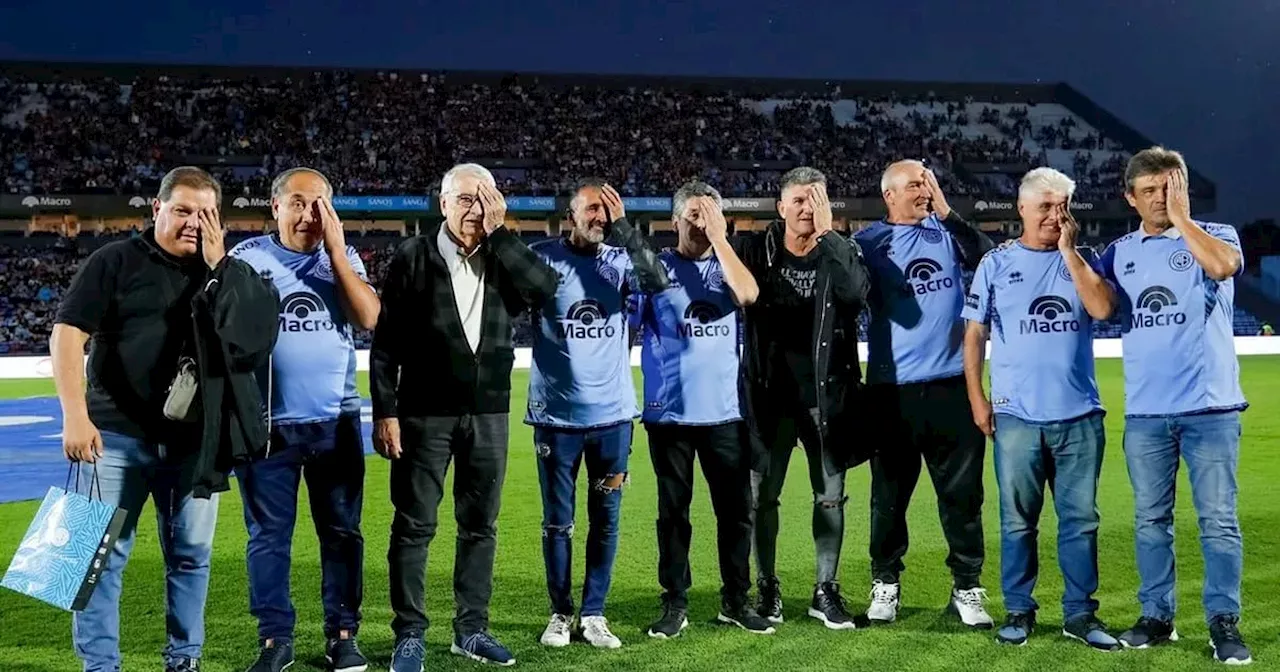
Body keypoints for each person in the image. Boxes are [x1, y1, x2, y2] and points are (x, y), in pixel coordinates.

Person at [51, 166, 278, 672]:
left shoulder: (230, 271)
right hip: (111, 438)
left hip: (196, 444)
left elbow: (254, 339)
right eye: (182, 210)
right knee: (95, 561)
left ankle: (184, 659)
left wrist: (221, 267)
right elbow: (67, 336)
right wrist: (74, 415)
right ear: (156, 209)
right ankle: (101, 666)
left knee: (192, 557)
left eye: (205, 213)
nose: (193, 222)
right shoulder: (113, 261)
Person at [369, 163, 558, 671]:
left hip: (489, 411)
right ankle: (410, 633)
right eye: (466, 199)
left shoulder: (502, 256)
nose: (476, 209)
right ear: (443, 202)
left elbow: (545, 291)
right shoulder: (412, 255)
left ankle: (470, 629)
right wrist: (384, 411)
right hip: (422, 414)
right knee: (413, 526)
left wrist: (504, 235)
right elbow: (385, 343)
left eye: (486, 199)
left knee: (480, 526)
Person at [1098, 146, 1252, 665]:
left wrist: (1184, 220)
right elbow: (1098, 305)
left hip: (1211, 411)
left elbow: (1225, 267)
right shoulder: (1119, 252)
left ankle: (1223, 622)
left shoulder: (1218, 234)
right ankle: (1157, 617)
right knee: (1150, 521)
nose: (1161, 199)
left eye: (1170, 188)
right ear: (1130, 198)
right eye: (1150, 191)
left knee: (1218, 521)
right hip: (1146, 413)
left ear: (1183, 187)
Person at [228, 167, 382, 672]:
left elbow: (370, 318)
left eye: (320, 204)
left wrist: (337, 253)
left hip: (334, 421)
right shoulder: (246, 259)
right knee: (268, 537)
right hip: (266, 425)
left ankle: (342, 634)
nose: (309, 213)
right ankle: (275, 639)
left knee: (341, 532)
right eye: (297, 201)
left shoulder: (343, 259)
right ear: (275, 207)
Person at [961, 168, 1119, 649]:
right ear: (1022, 209)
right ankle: (1019, 610)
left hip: (1079, 416)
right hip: (1016, 418)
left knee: (1080, 521)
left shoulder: (1086, 259)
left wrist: (1069, 252)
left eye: (1063, 205)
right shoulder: (996, 263)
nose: (1056, 215)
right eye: (1046, 206)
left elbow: (1103, 310)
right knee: (1016, 521)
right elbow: (974, 333)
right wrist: (977, 396)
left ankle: (1079, 614)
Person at [527, 178, 669, 650]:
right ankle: (560, 612)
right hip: (557, 421)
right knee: (558, 522)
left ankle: (593, 614)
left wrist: (626, 228)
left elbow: (658, 283)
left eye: (606, 212)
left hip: (612, 421)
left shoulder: (620, 260)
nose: (599, 219)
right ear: (570, 215)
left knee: (606, 519)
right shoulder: (542, 256)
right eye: (590, 210)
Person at [854, 159, 995, 628]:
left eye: (926, 182)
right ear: (889, 195)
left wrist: (950, 213)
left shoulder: (948, 232)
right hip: (890, 392)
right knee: (888, 498)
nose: (923, 190)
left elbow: (988, 255)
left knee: (962, 496)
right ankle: (886, 582)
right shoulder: (867, 244)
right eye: (913, 184)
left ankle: (968, 587)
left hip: (953, 386)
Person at [632, 181, 773, 639]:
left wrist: (720, 239)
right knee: (674, 514)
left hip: (724, 416)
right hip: (670, 417)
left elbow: (749, 296)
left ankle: (736, 600)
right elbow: (630, 323)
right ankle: (674, 601)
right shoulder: (657, 267)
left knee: (736, 513)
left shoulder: (728, 266)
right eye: (693, 214)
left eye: (710, 213)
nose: (701, 222)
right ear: (674, 221)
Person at [736, 166, 871, 630]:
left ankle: (824, 588)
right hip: (768, 398)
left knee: (830, 498)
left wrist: (831, 234)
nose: (806, 209)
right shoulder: (754, 249)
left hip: (827, 399)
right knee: (761, 498)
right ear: (780, 208)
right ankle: (767, 586)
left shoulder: (841, 250)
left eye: (816, 200)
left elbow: (856, 295)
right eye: (798, 200)